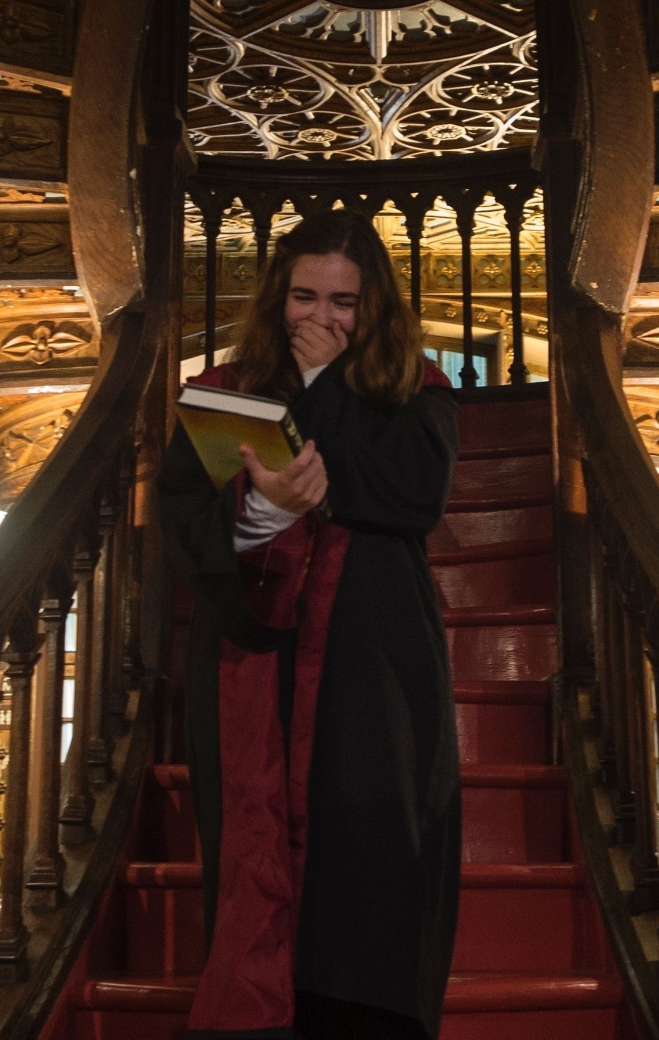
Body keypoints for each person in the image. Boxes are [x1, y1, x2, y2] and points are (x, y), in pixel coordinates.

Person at [160, 209, 461, 1040]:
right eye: (303, 296)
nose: (322, 318)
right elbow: (184, 515)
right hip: (255, 658)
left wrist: (327, 391)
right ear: (275, 297)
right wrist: (261, 514)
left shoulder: (413, 393)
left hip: (372, 667)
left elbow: (413, 494)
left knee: (368, 863)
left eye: (345, 300)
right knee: (257, 876)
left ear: (377, 308)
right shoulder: (227, 392)